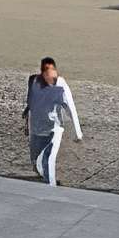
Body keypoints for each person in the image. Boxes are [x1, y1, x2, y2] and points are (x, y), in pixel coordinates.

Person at [25, 58, 83, 186]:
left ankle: (51, 186)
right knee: (38, 161)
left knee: (49, 157)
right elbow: (31, 105)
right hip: (38, 128)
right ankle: (47, 180)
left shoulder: (60, 84)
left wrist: (78, 133)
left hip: (54, 128)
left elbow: (70, 108)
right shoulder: (35, 81)